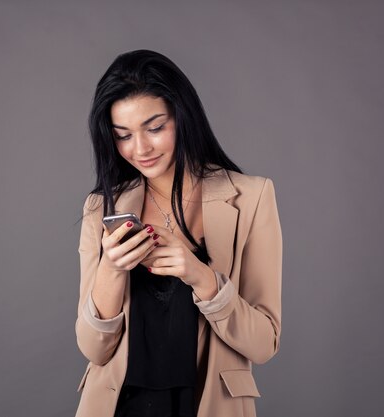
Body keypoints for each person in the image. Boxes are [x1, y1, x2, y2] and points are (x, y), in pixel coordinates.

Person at [75, 49, 282, 417]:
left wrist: (203, 278)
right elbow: (94, 348)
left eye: (155, 128)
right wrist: (112, 268)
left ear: (183, 117)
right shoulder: (100, 208)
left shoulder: (251, 197)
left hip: (208, 406)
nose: (140, 149)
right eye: (122, 135)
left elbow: (264, 343)